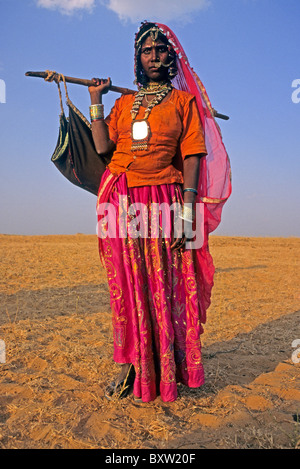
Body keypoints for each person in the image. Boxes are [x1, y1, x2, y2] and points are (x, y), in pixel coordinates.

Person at [88, 22, 231, 403]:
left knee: (165, 281)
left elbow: (193, 157)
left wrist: (188, 213)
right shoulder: (122, 103)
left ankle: (168, 368)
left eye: (160, 50)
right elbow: (103, 148)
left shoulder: (184, 104)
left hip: (165, 199)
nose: (154, 56)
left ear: (171, 56)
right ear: (138, 58)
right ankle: (132, 366)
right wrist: (96, 100)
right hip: (119, 197)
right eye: (147, 51)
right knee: (129, 284)